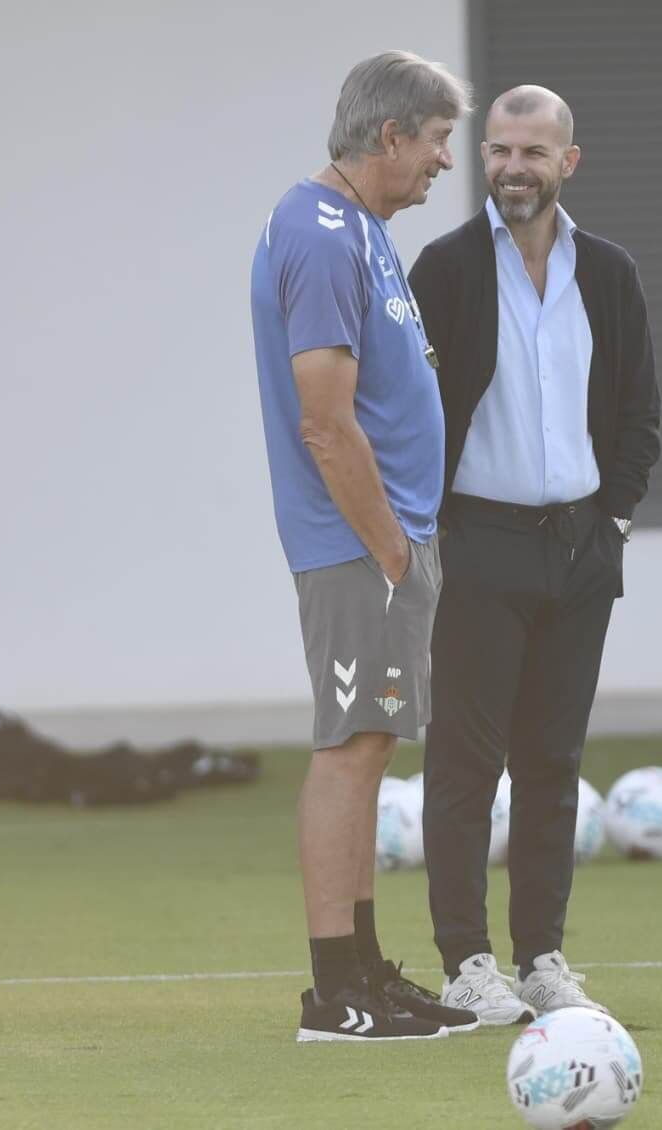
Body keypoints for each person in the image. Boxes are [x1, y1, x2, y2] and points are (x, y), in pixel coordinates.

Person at [408, 85, 662, 1023]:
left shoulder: (609, 270)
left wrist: (617, 519)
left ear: (568, 162)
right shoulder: (443, 269)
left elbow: (639, 411)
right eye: (498, 150)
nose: (513, 167)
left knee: (552, 761)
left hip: (580, 546)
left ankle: (543, 957)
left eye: (532, 152)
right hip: (477, 542)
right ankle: (467, 963)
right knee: (465, 764)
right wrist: (425, 530)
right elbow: (407, 414)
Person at [249, 50, 479, 1042]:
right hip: (357, 546)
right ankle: (332, 991)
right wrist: (391, 548)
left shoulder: (363, 230)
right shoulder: (319, 230)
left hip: (387, 541)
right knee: (349, 747)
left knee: (371, 743)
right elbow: (324, 421)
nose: (441, 164)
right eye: (434, 142)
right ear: (390, 133)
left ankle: (366, 973)